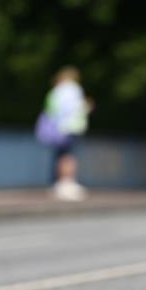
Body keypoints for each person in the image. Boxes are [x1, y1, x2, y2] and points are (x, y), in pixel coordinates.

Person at [38, 66, 94, 201]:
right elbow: (73, 109)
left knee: (60, 155)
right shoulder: (73, 89)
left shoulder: (55, 91)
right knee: (68, 156)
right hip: (70, 127)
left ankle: (59, 183)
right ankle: (67, 184)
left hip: (58, 128)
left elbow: (51, 110)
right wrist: (86, 107)